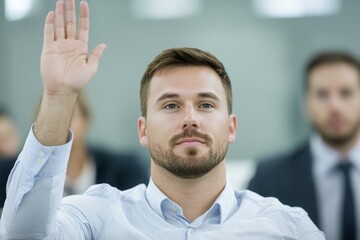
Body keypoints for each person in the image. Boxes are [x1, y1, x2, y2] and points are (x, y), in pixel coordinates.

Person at [0, 0, 324, 239]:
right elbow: (22, 235)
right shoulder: (98, 217)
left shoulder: (288, 227)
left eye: (206, 104)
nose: (190, 118)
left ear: (231, 127)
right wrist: (58, 97)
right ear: (142, 129)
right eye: (170, 106)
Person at [248, 51, 360, 240]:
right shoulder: (269, 178)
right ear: (306, 105)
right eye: (322, 94)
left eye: (346, 93)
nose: (335, 106)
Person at [64, 93, 148, 195]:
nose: (63, 123)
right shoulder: (39, 180)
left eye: (71, 115)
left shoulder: (125, 170)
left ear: (86, 120)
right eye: (54, 117)